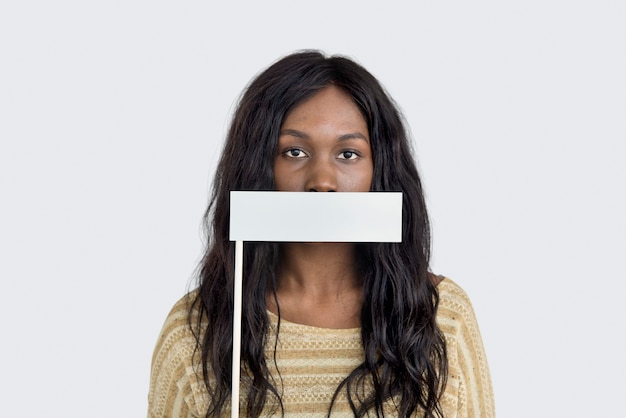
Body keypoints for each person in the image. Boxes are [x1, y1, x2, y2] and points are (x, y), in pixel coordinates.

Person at [148, 50, 495, 418]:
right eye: (294, 151)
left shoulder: (442, 316)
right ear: (257, 168)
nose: (322, 183)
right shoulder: (194, 330)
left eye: (348, 154)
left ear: (380, 173)